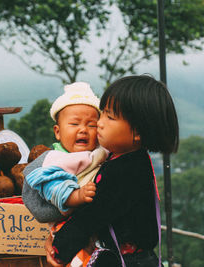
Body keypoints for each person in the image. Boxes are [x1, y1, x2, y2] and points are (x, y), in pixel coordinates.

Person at [46, 74, 179, 267]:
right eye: (102, 113)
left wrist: (60, 249)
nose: (99, 122)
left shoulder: (127, 171)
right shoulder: (124, 158)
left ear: (138, 132)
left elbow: (92, 215)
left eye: (110, 117)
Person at [22, 81, 108, 266]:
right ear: (58, 132)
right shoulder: (54, 159)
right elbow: (52, 187)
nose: (83, 129)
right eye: (74, 123)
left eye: (91, 125)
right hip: (67, 229)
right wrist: (75, 196)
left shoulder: (102, 153)